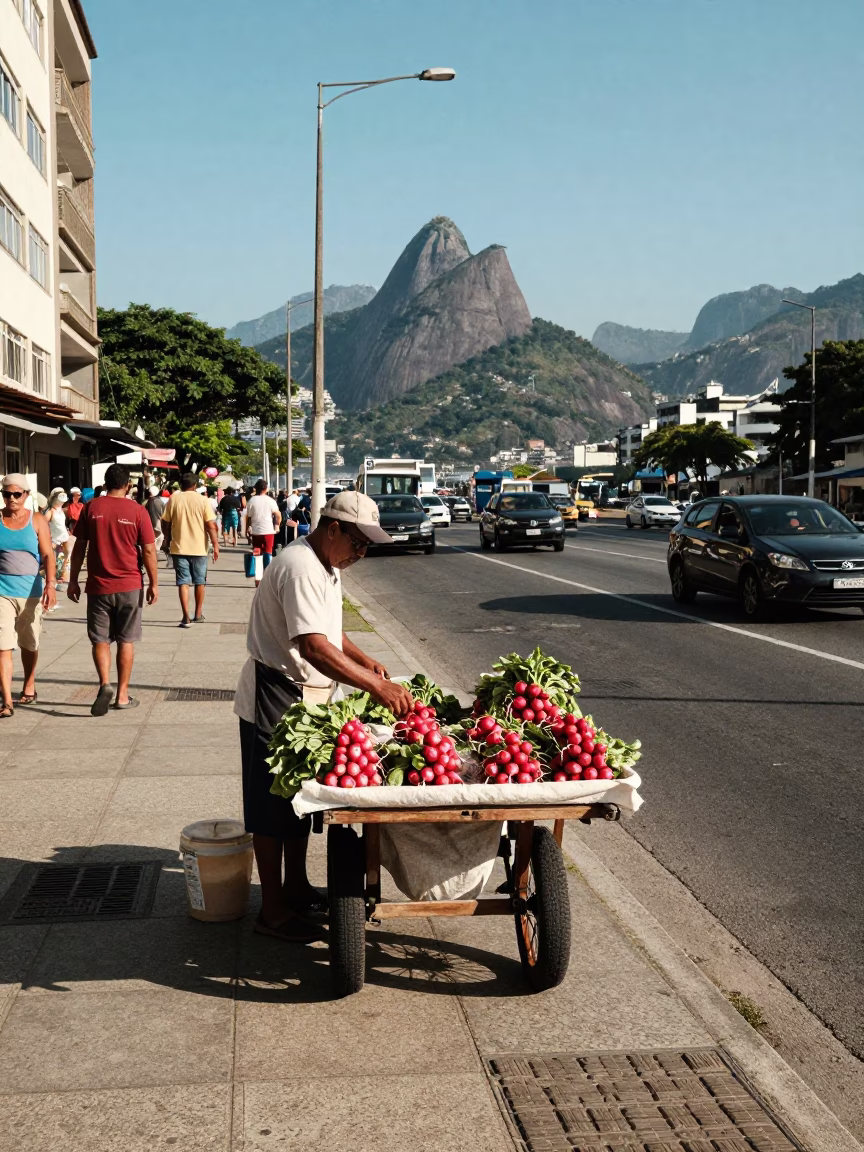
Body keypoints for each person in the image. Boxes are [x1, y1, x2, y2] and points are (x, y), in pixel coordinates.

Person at [234, 489, 414, 941]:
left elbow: (330, 632)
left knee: (298, 803)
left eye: (367, 547)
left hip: (308, 696)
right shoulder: (299, 566)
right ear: (333, 528)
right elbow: (312, 646)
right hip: (275, 693)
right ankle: (271, 911)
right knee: (269, 808)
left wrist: (365, 660)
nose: (362, 553)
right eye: (358, 543)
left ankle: (296, 887)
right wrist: (376, 685)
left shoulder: (327, 565)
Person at [67, 463, 158, 715]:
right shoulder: (138, 510)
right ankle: (122, 695)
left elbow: (79, 547)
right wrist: (154, 583)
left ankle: (105, 683)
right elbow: (149, 550)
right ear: (128, 485)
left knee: (100, 639)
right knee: (126, 640)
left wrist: (73, 580)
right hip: (130, 585)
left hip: (98, 586)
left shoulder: (91, 507)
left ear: (105, 484)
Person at [0, 474, 56, 717]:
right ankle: (6, 701)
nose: (11, 499)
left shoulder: (37, 520)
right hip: (2, 591)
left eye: (16, 494)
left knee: (29, 643)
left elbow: (48, 555)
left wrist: (51, 585)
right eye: (6, 494)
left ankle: (29, 683)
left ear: (26, 495)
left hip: (31, 592)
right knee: (3, 646)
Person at [161, 472, 219, 627]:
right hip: (199, 548)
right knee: (200, 582)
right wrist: (216, 544)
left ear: (181, 485)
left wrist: (167, 538)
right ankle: (198, 614)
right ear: (195, 485)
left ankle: (185, 617)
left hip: (179, 548)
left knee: (183, 582)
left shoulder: (174, 499)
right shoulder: (203, 501)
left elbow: (165, 521)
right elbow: (211, 525)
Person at [246, 479, 282, 586]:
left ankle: (258, 579)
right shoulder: (271, 501)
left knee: (257, 553)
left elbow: (248, 517)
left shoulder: (251, 500)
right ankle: (267, 578)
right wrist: (277, 525)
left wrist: (248, 528)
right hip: (268, 530)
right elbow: (278, 515)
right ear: (266, 489)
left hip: (256, 530)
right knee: (268, 552)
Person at [44, 488, 72, 592]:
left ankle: (61, 579)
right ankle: (52, 579)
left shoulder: (61, 511)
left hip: (64, 538)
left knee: (65, 559)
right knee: (53, 560)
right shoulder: (50, 512)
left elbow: (62, 524)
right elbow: (43, 524)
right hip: (55, 540)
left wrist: (67, 530)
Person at [145, 485, 166, 561]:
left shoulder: (147, 502)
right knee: (158, 541)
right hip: (158, 524)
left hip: (150, 525)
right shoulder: (159, 501)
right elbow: (163, 514)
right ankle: (154, 558)